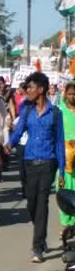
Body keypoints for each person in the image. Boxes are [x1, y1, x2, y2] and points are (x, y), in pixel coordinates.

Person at [6, 72, 66, 263]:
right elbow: (18, 131)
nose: (28, 90)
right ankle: (41, 235)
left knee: (41, 204)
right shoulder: (27, 111)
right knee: (31, 204)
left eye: (31, 87)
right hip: (29, 163)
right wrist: (9, 144)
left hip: (48, 164)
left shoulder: (56, 113)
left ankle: (37, 247)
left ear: (41, 89)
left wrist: (62, 170)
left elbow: (59, 143)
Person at [58, 82, 75, 232]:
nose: (72, 96)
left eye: (74, 94)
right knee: (64, 184)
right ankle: (65, 222)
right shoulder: (60, 111)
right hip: (65, 152)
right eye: (69, 94)